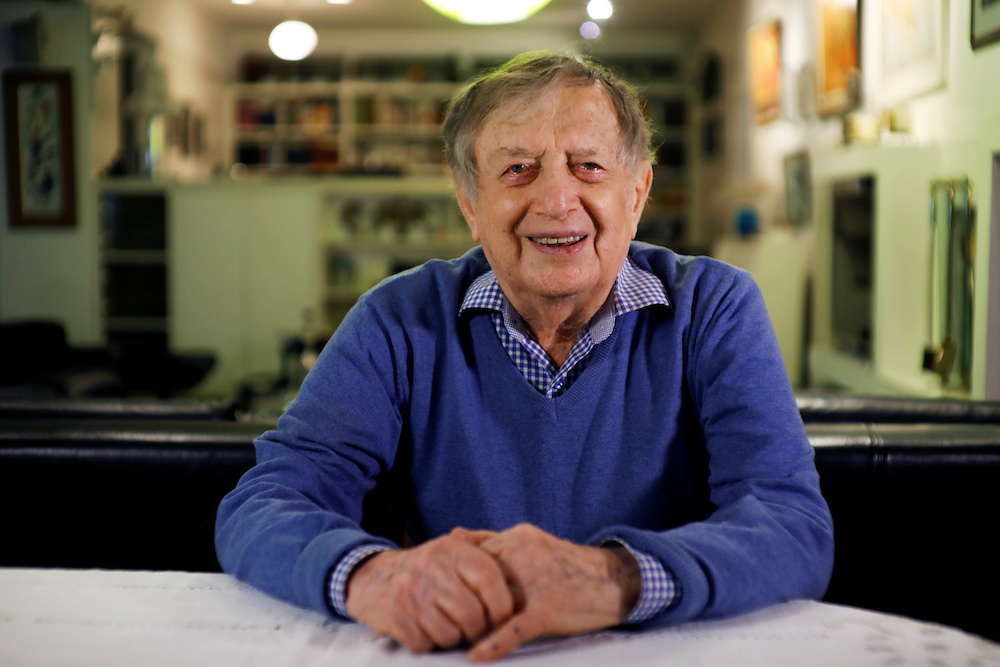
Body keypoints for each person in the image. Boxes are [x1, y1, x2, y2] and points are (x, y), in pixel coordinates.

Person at [215, 51, 834, 663]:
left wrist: (615, 578)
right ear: (469, 205)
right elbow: (264, 502)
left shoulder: (715, 307)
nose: (557, 201)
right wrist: (369, 575)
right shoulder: (396, 319)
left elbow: (790, 524)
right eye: (517, 170)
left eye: (588, 166)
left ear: (637, 192)